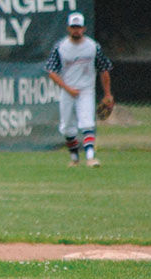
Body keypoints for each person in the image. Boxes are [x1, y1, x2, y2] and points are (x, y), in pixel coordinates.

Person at [44, 11, 114, 168]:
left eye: (79, 27)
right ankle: (75, 157)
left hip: (86, 90)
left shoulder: (92, 47)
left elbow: (104, 69)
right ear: (68, 28)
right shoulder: (61, 47)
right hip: (67, 91)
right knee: (67, 127)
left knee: (87, 123)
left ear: (84, 28)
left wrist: (108, 94)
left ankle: (90, 157)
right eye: (73, 27)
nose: (76, 30)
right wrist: (67, 88)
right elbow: (51, 72)